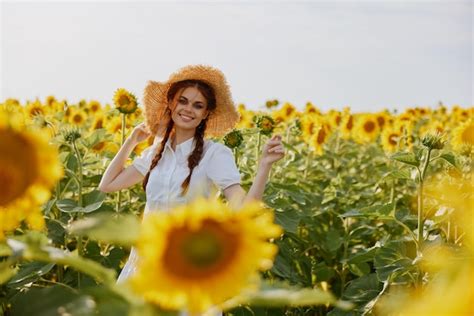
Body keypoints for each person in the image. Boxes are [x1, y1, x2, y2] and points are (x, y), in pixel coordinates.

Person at [98, 64, 285, 314]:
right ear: (171, 104)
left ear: (206, 114)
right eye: (183, 101)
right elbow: (107, 185)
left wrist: (264, 168)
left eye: (198, 105)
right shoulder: (156, 152)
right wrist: (132, 141)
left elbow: (243, 209)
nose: (188, 109)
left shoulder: (215, 155)